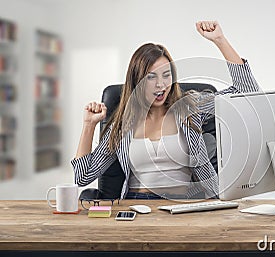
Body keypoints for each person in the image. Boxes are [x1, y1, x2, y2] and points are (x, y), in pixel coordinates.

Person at [72, 21, 260, 200]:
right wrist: (89, 125)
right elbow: (82, 176)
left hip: (186, 203)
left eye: (166, 75)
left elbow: (247, 91)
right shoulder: (123, 125)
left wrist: (220, 40)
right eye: (151, 77)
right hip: (136, 204)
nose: (161, 84)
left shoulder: (190, 107)